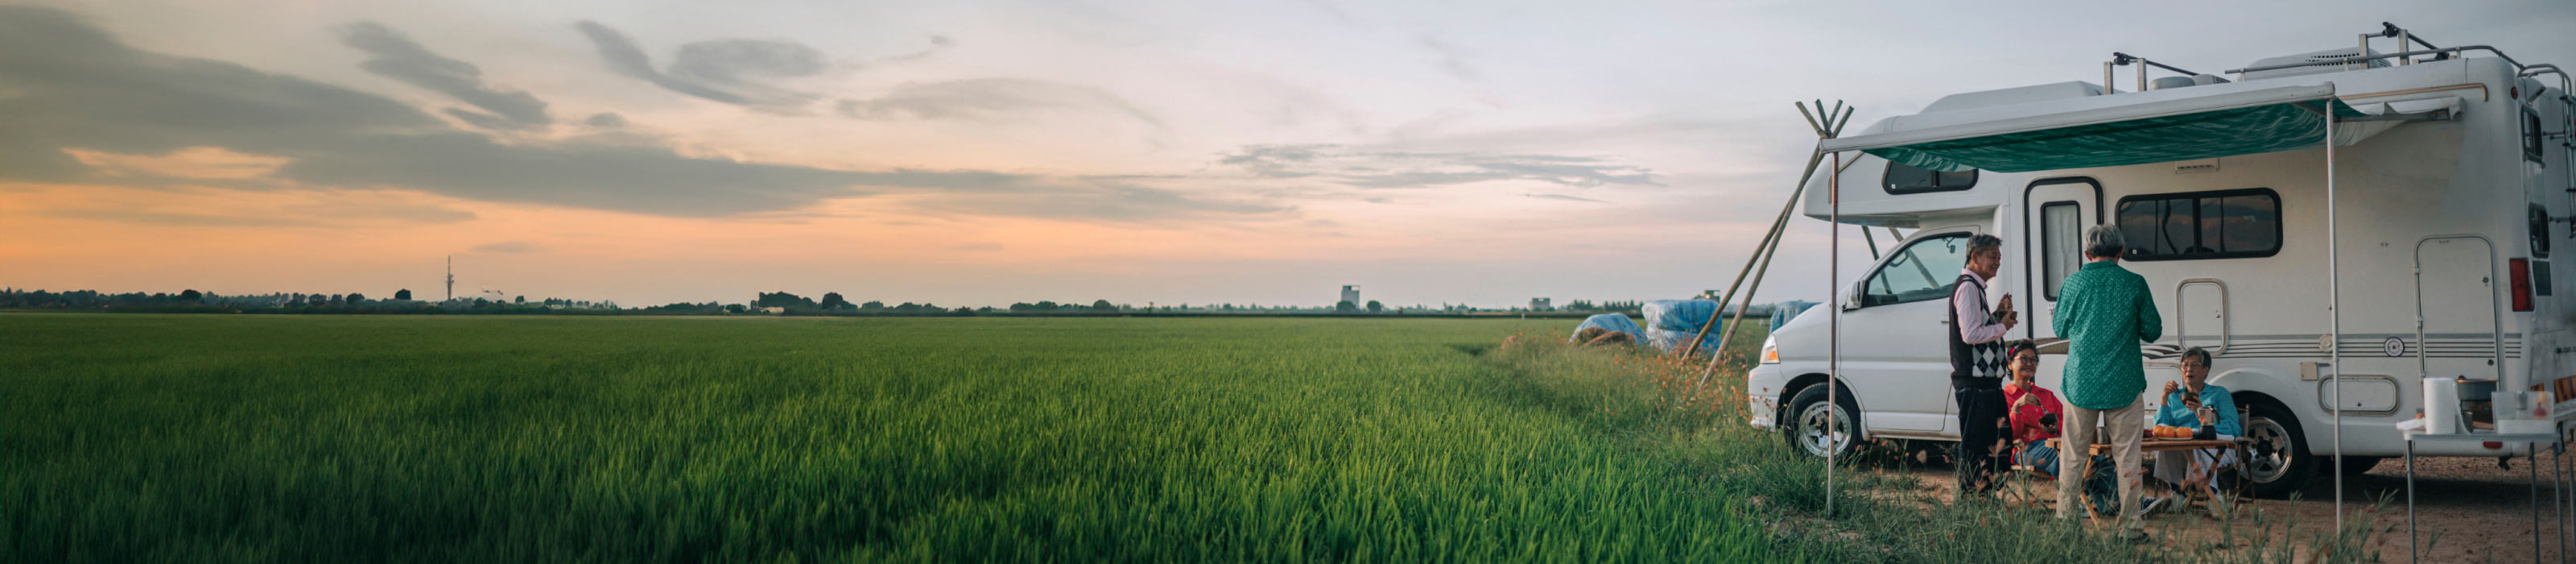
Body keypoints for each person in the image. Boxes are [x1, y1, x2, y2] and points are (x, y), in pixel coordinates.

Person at [2052, 225, 2161, 540]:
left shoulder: (2073, 283)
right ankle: (2130, 528)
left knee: (2073, 456)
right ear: (2121, 252)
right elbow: (2152, 330)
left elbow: (2060, 328)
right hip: (2124, 382)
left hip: (2080, 383)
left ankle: (2066, 525)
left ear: (2087, 253)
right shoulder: (2135, 283)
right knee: (2128, 457)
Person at [2003, 339, 2121, 516]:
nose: (2029, 363)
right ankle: (2075, 502)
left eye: (2034, 360)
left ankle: (2114, 505)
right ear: (2010, 364)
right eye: (2024, 359)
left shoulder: (2045, 395)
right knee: (2068, 457)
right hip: (2029, 449)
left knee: (2095, 457)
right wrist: (2017, 408)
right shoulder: (2005, 397)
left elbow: (2067, 422)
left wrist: (2054, 429)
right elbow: (2009, 436)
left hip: (2058, 442)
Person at [1949, 234, 2017, 495]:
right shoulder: (1967, 288)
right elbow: (1971, 335)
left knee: (1994, 444)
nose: (1997, 262)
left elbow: (1977, 328)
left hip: (1986, 383)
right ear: (1975, 257)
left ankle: (1983, 496)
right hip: (1975, 383)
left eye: (1998, 257)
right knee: (1978, 447)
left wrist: (1996, 316)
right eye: (1992, 256)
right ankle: (1973, 499)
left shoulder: (1974, 288)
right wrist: (2003, 326)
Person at [2148, 346, 2241, 518]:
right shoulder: (2175, 397)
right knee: (2166, 441)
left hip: (2219, 450)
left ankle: (2212, 495)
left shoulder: (2219, 394)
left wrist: (2203, 415)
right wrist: (2163, 399)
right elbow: (2160, 428)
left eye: (2195, 365)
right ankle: (2177, 492)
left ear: (2206, 370)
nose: (2188, 369)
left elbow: (2233, 428)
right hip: (2183, 452)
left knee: (2201, 439)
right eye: (2185, 365)